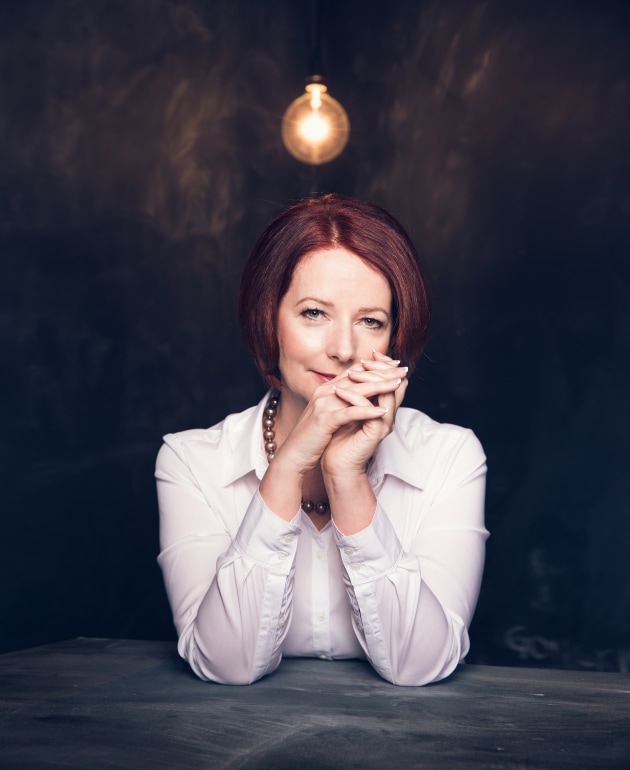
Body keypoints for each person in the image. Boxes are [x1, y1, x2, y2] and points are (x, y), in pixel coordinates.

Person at [156, 194, 488, 686]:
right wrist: (289, 466)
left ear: (395, 341)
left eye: (370, 321)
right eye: (314, 313)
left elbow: (420, 665)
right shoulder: (192, 460)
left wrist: (346, 475)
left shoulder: (449, 455)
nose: (344, 350)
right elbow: (227, 664)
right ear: (269, 318)